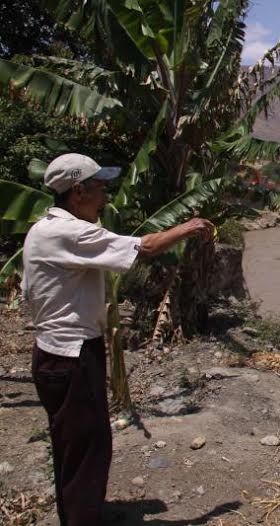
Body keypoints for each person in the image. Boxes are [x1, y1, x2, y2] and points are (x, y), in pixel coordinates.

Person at [21, 153, 214, 526]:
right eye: (100, 189)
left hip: (54, 352)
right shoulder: (69, 233)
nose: (105, 198)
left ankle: (75, 515)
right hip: (71, 354)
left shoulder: (42, 230)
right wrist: (188, 227)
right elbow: (147, 246)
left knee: (72, 444)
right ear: (78, 191)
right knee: (89, 447)